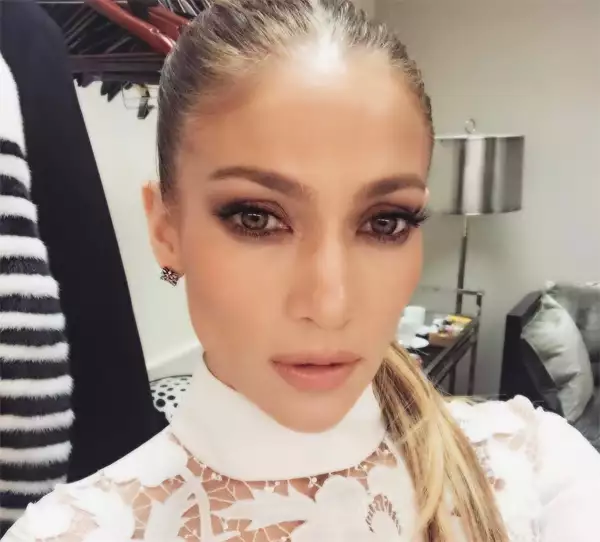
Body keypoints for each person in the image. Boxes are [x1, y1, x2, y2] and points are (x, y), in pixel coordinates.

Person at [4, 1, 599, 540]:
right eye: (257, 218)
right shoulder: (68, 534)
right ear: (165, 230)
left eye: (386, 222)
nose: (330, 304)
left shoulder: (539, 468)